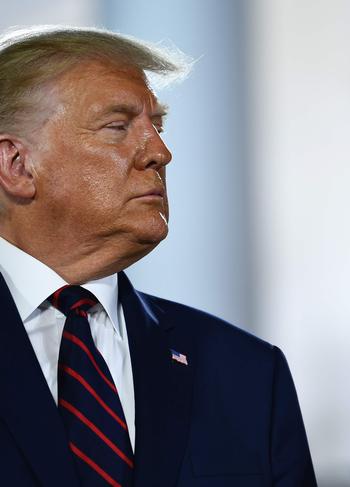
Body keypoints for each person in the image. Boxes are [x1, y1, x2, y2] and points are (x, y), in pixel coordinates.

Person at [0, 26, 317, 487]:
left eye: (158, 125)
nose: (160, 153)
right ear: (16, 164)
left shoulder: (246, 371)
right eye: (117, 126)